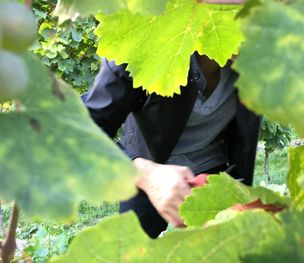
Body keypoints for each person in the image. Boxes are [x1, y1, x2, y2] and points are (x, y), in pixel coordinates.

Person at [82, 52, 260, 238]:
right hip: (147, 168)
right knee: (134, 248)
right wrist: (146, 175)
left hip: (212, 167)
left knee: (225, 246)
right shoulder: (140, 49)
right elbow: (81, 131)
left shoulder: (257, 64)